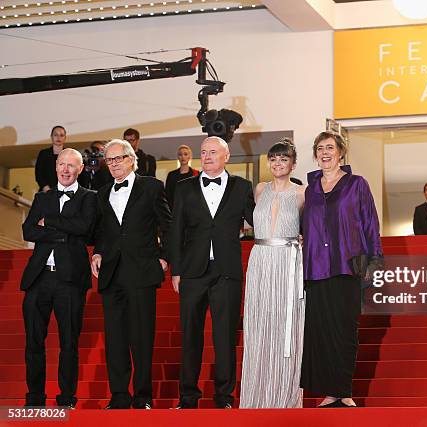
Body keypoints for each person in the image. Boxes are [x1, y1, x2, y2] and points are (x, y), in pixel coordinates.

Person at [168, 136, 254, 409]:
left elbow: (259, 221)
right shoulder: (184, 188)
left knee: (225, 337)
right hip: (192, 272)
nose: (206, 156)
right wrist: (176, 270)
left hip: (227, 271)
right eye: (203, 152)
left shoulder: (242, 187)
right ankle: (188, 397)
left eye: (213, 152)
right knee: (190, 337)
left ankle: (224, 398)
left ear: (226, 156)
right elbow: (175, 231)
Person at [301, 131, 382, 408]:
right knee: (322, 331)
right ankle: (329, 392)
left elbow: (370, 223)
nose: (325, 152)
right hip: (315, 268)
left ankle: (343, 390)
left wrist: (374, 261)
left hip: (348, 265)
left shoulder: (357, 184)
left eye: (330, 148)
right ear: (315, 154)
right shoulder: (309, 188)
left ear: (340, 152)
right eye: (320, 148)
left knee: (345, 330)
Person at [90, 139, 171, 409]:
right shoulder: (101, 193)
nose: (113, 164)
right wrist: (98, 252)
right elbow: (103, 231)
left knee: (142, 338)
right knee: (115, 339)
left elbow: (167, 226)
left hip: (142, 271)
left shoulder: (151, 187)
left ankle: (143, 396)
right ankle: (119, 396)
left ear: (131, 159)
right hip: (112, 273)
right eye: (109, 160)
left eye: (118, 159)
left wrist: (164, 257)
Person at [21, 148, 97, 408]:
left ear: (80, 169)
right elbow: (28, 231)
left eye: (71, 166)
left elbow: (84, 227)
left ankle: (66, 399)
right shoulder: (41, 198)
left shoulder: (90, 198)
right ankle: (34, 399)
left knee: (69, 343)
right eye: (62, 165)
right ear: (55, 168)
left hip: (70, 280)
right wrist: (63, 232)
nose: (65, 170)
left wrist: (49, 223)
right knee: (33, 343)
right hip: (38, 278)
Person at [240, 138, 306, 408]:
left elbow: (313, 224)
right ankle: (257, 395)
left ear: (293, 163)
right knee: (259, 323)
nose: (278, 164)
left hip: (288, 262)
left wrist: (303, 237)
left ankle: (285, 396)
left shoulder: (303, 192)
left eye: (284, 159)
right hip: (261, 260)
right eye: (274, 159)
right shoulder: (259, 189)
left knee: (286, 325)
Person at [165, 145, 198, 210]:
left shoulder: (196, 174)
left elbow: (198, 195)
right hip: (175, 210)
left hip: (192, 210)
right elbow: (168, 195)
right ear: (178, 157)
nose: (183, 157)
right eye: (180, 154)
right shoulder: (171, 175)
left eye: (185, 154)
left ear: (189, 157)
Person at [35, 125, 66, 192]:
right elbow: (39, 174)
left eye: (61, 135)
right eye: (56, 135)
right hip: (46, 193)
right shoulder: (44, 154)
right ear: (51, 137)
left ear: (65, 138)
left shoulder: (69, 154)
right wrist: (46, 189)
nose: (58, 138)